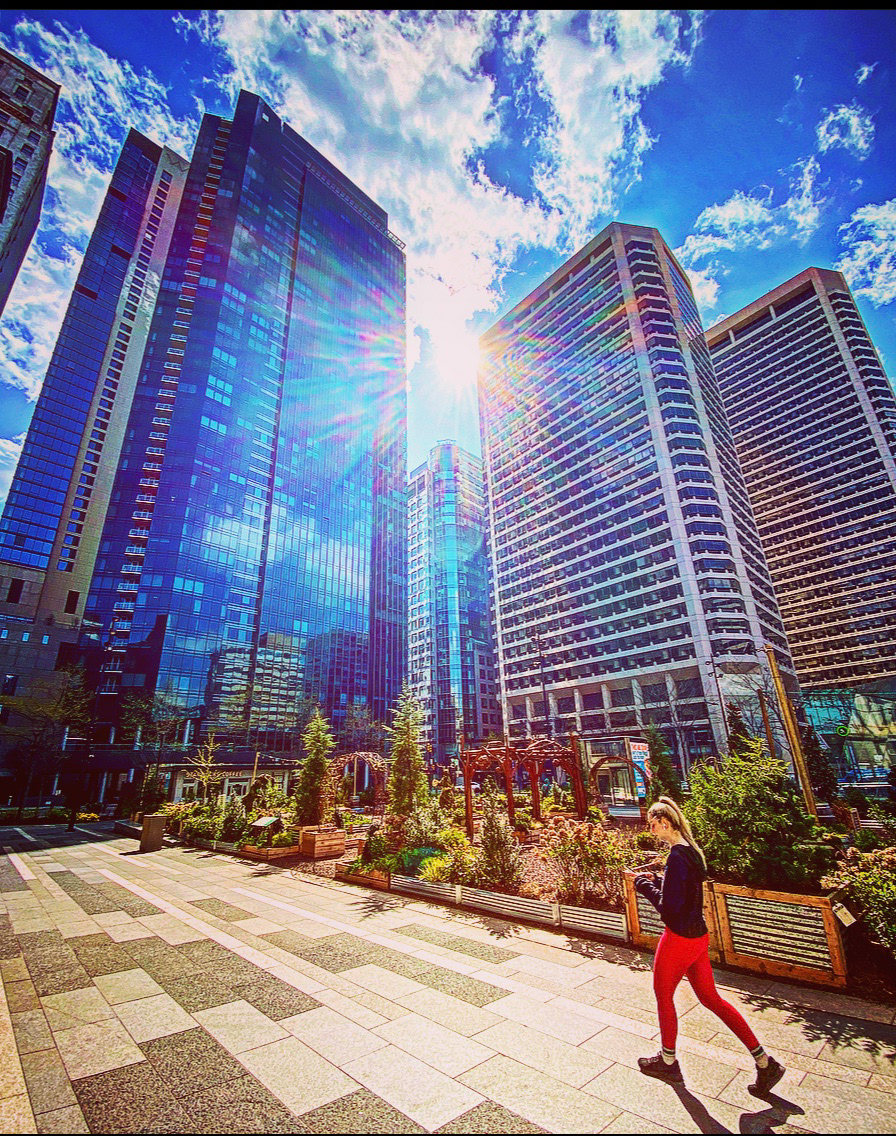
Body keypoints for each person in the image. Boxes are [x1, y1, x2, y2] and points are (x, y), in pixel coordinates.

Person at [633, 796, 785, 1094]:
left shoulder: (676, 857)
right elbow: (684, 893)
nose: (651, 831)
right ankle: (765, 1062)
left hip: (678, 939)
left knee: (663, 996)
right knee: (712, 999)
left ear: (664, 823)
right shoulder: (691, 852)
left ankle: (668, 1062)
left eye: (652, 825)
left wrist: (644, 885)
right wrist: (660, 880)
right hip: (699, 938)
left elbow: (669, 909)